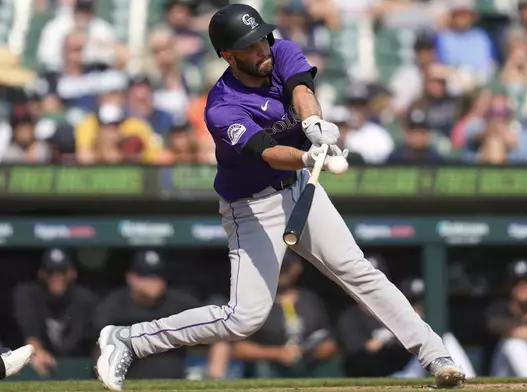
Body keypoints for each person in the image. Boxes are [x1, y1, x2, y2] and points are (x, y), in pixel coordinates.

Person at [95, 4, 465, 391]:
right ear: (227, 54)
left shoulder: (282, 50)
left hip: (299, 187)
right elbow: (268, 151)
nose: (262, 50)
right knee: (244, 318)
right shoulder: (222, 106)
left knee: (359, 270)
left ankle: (435, 356)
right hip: (252, 206)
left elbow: (301, 90)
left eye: (261, 39)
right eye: (250, 46)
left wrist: (313, 124)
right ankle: (130, 339)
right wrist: (307, 154)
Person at [230, 251, 338, 378]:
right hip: (269, 370)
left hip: (308, 366)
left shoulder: (310, 300)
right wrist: (278, 353)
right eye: (277, 267)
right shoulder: (255, 302)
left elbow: (328, 340)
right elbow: (238, 349)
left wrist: (318, 351)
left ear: (297, 268)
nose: (281, 272)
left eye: (286, 267)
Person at [95, 250, 201, 380]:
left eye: (157, 276)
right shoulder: (114, 306)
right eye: (145, 276)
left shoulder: (180, 304)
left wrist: (214, 374)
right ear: (131, 278)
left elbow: (218, 330)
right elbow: (98, 348)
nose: (153, 282)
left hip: (175, 383)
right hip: (128, 384)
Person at [12, 249, 98, 377]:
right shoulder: (27, 294)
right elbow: (30, 331)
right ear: (41, 274)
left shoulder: (86, 298)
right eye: (50, 271)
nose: (56, 277)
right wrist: (36, 351)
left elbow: (96, 338)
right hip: (37, 368)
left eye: (62, 271)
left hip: (79, 368)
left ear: (73, 273)